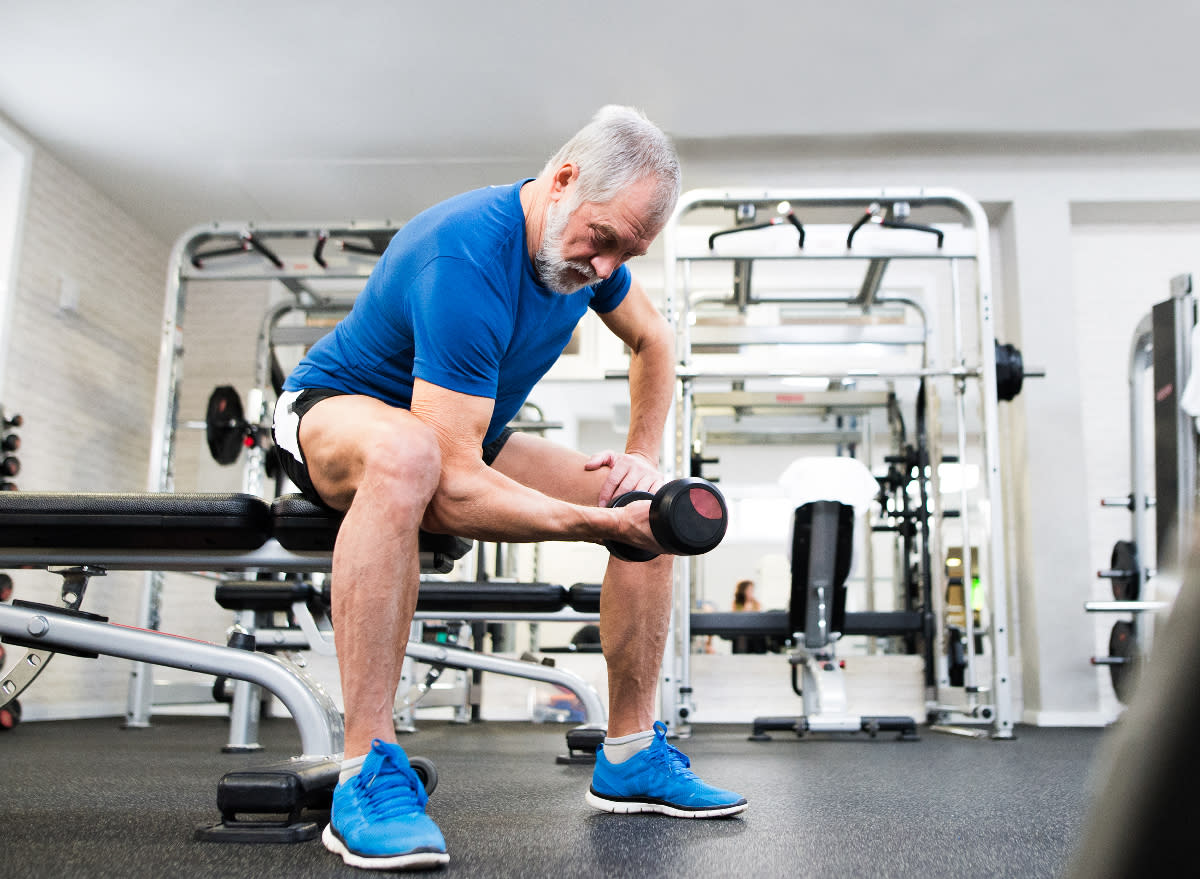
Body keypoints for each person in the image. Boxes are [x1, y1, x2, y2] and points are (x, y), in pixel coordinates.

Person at [272, 105, 747, 871]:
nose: (604, 269)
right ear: (562, 180)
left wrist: (641, 459)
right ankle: (366, 769)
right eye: (603, 240)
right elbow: (454, 488)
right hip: (333, 412)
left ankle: (627, 753)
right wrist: (592, 530)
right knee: (407, 456)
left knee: (644, 509)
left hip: (456, 432)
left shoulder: (591, 252)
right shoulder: (463, 255)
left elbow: (654, 340)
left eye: (626, 253)